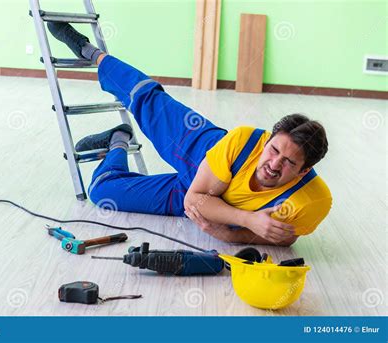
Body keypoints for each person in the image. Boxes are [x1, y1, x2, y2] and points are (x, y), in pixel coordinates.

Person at [47, 22, 332, 247]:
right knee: (147, 100)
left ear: (304, 170)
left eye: (289, 163)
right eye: (273, 150)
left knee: (101, 192)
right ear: (267, 140)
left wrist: (230, 235)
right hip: (204, 157)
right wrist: (247, 219)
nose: (274, 164)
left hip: (206, 201)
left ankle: (117, 141)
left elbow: (285, 237)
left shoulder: (313, 200)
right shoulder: (242, 140)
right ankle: (90, 52)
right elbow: (196, 199)